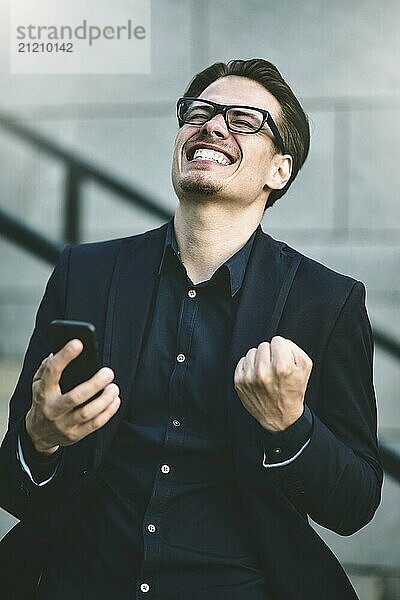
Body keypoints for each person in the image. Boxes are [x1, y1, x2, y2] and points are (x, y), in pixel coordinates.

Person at [0, 59, 382, 600]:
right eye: (198, 112)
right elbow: (14, 484)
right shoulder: (84, 274)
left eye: (244, 120)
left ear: (279, 171)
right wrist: (40, 440)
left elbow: (355, 505)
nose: (212, 126)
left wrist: (291, 427)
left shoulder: (328, 302)